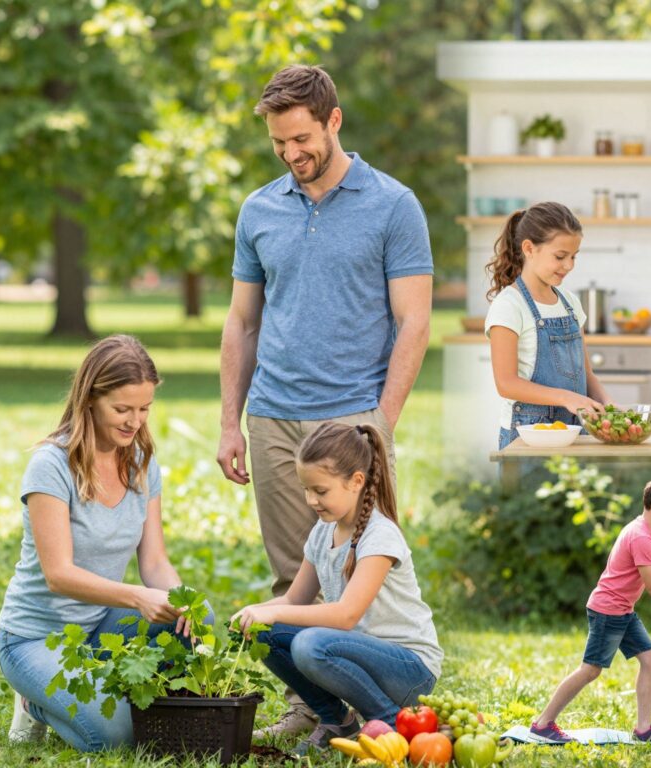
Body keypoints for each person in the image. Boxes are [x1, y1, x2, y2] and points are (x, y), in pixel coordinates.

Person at [217, 64, 433, 736]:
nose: (291, 154)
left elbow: (415, 321)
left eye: (302, 138)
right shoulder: (259, 209)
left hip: (352, 418)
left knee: (362, 563)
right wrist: (231, 422)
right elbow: (241, 321)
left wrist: (381, 422)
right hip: (274, 414)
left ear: (334, 120)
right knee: (295, 566)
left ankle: (375, 706)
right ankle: (311, 708)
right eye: (279, 143)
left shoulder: (393, 205)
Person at [0, 335, 197, 752]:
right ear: (89, 399)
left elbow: (155, 561)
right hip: (35, 638)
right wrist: (138, 597)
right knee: (115, 736)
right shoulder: (51, 466)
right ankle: (35, 702)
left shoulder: (142, 464)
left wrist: (182, 600)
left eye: (144, 409)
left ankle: (96, 690)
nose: (135, 421)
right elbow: (59, 575)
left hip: (99, 628)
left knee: (196, 619)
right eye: (122, 409)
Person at [232, 422, 441, 756]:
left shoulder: (379, 535)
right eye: (306, 489)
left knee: (310, 644)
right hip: (359, 657)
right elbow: (294, 600)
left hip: (409, 671)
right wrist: (257, 615)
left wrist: (272, 611)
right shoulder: (322, 532)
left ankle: (388, 721)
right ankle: (336, 720)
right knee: (265, 632)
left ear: (356, 481)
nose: (311, 500)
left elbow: (346, 616)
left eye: (320, 491)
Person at [528, 475, 651, 744]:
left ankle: (644, 730)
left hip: (622, 610)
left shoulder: (639, 529)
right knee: (590, 670)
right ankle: (543, 724)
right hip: (608, 611)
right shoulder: (642, 537)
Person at [485, 202, 610, 449]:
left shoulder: (570, 303)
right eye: (560, 256)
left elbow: (587, 374)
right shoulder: (509, 305)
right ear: (529, 249)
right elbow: (506, 383)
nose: (569, 265)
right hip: (529, 437)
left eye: (574, 256)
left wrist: (607, 405)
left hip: (575, 433)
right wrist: (567, 398)